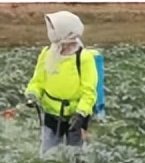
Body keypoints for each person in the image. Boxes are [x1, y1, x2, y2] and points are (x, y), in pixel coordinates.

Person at [24, 11, 98, 153]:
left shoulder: (84, 58)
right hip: (51, 115)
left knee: (75, 155)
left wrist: (81, 113)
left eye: (54, 28)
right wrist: (32, 94)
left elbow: (89, 91)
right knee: (47, 154)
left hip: (75, 117)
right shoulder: (47, 53)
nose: (51, 32)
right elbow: (37, 81)